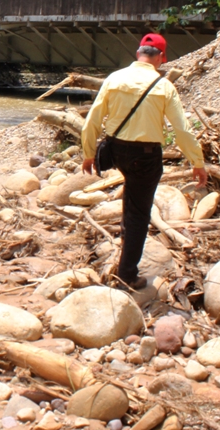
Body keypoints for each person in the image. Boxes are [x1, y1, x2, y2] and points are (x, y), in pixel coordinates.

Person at [80, 33, 208, 291]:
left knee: (131, 202)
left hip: (116, 151)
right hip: (146, 157)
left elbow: (93, 118)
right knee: (139, 213)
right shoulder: (163, 86)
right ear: (161, 57)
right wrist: (197, 162)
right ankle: (127, 275)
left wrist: (88, 153)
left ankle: (125, 248)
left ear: (138, 53)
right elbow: (181, 130)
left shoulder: (114, 78)